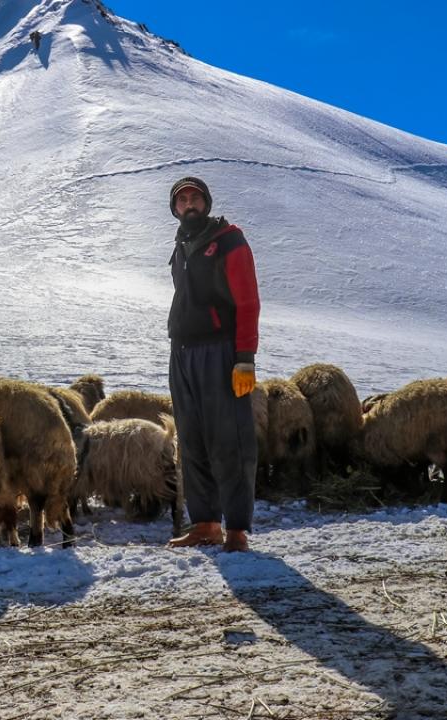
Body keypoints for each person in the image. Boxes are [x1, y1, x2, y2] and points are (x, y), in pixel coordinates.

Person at [165, 176, 260, 552]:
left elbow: (248, 302)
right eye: (182, 200)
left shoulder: (229, 240)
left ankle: (237, 529)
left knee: (230, 439)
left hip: (219, 351)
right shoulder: (181, 245)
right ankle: (205, 523)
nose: (189, 205)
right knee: (192, 439)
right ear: (175, 209)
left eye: (195, 199)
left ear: (206, 203)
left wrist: (244, 359)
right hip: (183, 351)